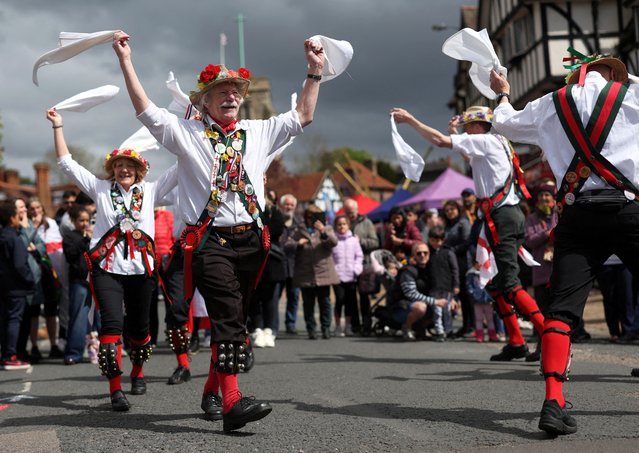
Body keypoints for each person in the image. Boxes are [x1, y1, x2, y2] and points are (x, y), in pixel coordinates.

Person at [113, 30, 325, 431]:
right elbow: (144, 109)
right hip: (208, 241)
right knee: (228, 315)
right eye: (221, 90)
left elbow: (303, 117)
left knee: (236, 320)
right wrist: (126, 61)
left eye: (235, 90)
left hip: (252, 239)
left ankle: (213, 389)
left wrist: (314, 72)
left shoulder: (258, 131)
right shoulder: (186, 133)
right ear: (204, 101)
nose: (230, 96)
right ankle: (231, 403)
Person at [489, 50, 639, 435]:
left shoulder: (550, 103)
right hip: (630, 211)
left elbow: (503, 124)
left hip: (578, 214)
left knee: (562, 311)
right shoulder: (634, 95)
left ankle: (553, 402)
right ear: (611, 74)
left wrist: (503, 92)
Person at [391, 106, 544, 362]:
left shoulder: (485, 141)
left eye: (466, 127)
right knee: (495, 285)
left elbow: (440, 142)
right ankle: (517, 342)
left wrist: (411, 120)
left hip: (501, 217)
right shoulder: (497, 142)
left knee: (509, 283)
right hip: (499, 216)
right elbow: (468, 156)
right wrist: (453, 132)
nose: (465, 131)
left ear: (477, 126)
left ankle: (548, 335)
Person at [46, 108, 176, 412]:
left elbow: (182, 166)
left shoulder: (153, 190)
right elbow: (66, 163)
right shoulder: (100, 189)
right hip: (107, 269)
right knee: (111, 327)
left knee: (141, 330)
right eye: (118, 165)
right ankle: (115, 389)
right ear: (112, 170)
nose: (123, 169)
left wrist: (191, 130)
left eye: (128, 165)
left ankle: (138, 373)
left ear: (138, 169)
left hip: (142, 269)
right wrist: (58, 125)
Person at [288, 205, 339, 339]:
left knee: (325, 302)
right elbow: (287, 245)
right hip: (305, 273)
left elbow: (333, 242)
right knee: (308, 303)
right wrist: (297, 244)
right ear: (306, 217)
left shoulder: (326, 228)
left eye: (316, 216)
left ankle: (326, 328)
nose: (312, 219)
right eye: (310, 216)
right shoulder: (299, 229)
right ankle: (311, 329)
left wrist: (322, 231)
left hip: (323, 271)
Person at [386, 242, 450, 340]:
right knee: (421, 307)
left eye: (425, 253)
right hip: (400, 308)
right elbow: (411, 294)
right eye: (419, 253)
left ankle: (420, 328)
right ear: (413, 255)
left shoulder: (429, 269)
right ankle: (406, 327)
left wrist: (451, 299)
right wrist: (436, 302)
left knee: (449, 306)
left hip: (419, 305)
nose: (422, 255)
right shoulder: (408, 271)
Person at [524, 180, 559, 360]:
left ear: (554, 199)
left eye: (548, 196)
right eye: (541, 196)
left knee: (557, 313)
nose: (544, 199)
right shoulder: (531, 218)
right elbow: (529, 240)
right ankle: (541, 348)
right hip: (540, 273)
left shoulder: (559, 214)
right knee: (542, 313)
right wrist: (546, 234)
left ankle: (558, 350)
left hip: (558, 271)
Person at [0, 200, 36, 370]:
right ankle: (10, 356)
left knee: (5, 320)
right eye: (17, 214)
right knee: (14, 319)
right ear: (11, 217)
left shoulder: (2, 235)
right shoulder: (13, 238)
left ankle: (5, 354)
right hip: (16, 287)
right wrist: (30, 280)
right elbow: (20, 264)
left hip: (4, 286)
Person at [28, 197, 65, 360]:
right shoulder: (25, 225)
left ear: (42, 209)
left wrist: (37, 247)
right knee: (33, 311)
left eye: (37, 208)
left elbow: (55, 245)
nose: (35, 211)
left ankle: (54, 345)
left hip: (48, 271)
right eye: (32, 208)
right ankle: (34, 346)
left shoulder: (50, 224)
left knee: (51, 310)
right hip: (31, 273)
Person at [61, 205, 94, 365]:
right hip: (78, 281)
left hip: (95, 279)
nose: (85, 223)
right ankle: (74, 352)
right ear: (73, 221)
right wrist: (84, 239)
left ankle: (99, 348)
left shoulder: (92, 235)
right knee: (78, 317)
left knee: (98, 318)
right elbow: (71, 255)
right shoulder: (69, 237)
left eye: (87, 220)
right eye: (81, 220)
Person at [343, 197, 379, 336]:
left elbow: (375, 242)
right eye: (347, 211)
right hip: (348, 265)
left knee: (364, 296)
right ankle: (354, 325)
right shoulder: (342, 223)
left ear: (357, 210)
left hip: (364, 264)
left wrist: (360, 241)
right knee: (350, 297)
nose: (350, 214)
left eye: (352, 211)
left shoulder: (366, 222)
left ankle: (367, 325)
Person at [440, 199, 473, 338]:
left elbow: (467, 241)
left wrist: (452, 250)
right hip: (452, 262)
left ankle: (470, 326)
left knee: (466, 295)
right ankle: (466, 326)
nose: (449, 213)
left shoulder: (463, 223)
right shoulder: (448, 225)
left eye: (452, 209)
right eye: (447, 210)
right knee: (460, 295)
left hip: (463, 261)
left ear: (458, 210)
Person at [331, 215, 363, 337]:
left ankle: (348, 326)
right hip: (338, 276)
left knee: (350, 302)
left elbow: (359, 256)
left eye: (344, 224)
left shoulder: (354, 240)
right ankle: (338, 326)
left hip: (351, 275)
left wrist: (356, 269)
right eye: (339, 224)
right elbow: (331, 257)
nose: (342, 226)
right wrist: (333, 271)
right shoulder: (333, 240)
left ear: (348, 225)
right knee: (339, 300)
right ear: (336, 226)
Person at [426, 225, 459, 341]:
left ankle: (449, 331)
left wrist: (456, 285)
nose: (436, 243)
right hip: (434, 286)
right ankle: (440, 331)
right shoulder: (427, 253)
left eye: (439, 240)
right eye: (433, 240)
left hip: (447, 286)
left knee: (447, 311)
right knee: (437, 311)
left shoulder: (448, 252)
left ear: (443, 240)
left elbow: (455, 269)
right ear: (429, 239)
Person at [279, 193, 303, 335]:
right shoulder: (276, 221)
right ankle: (271, 325)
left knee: (293, 296)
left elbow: (306, 239)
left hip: (295, 266)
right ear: (282, 206)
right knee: (274, 297)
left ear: (295, 206)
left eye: (291, 205)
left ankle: (291, 323)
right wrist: (294, 243)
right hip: (279, 265)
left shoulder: (299, 222)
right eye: (286, 204)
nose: (289, 207)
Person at [465, 254, 499, 343]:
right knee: (479, 319)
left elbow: (492, 285)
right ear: (474, 264)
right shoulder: (471, 274)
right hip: (477, 300)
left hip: (487, 299)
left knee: (490, 318)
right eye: (477, 263)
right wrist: (473, 294)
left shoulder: (487, 273)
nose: (479, 265)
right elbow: (469, 286)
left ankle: (492, 334)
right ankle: (480, 335)